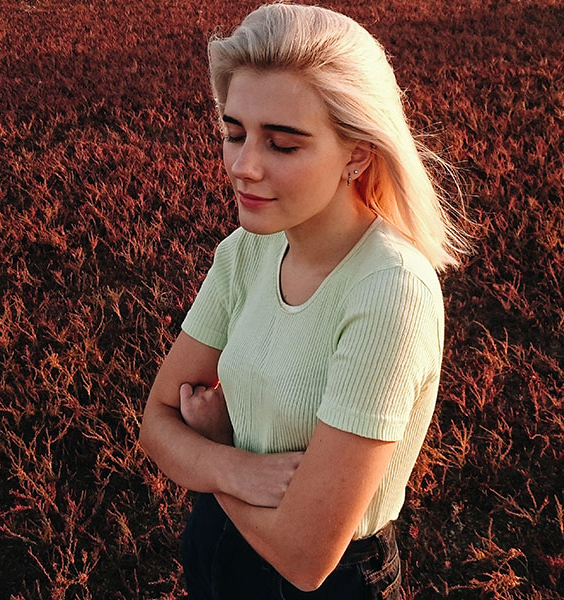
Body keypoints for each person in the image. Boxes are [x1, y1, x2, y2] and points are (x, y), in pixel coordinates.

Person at [139, 3, 470, 598]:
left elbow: (305, 554)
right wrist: (236, 468)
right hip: (217, 544)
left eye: (283, 145)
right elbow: (156, 422)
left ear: (357, 153)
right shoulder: (245, 252)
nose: (242, 166)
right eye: (234, 133)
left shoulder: (389, 292)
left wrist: (212, 448)